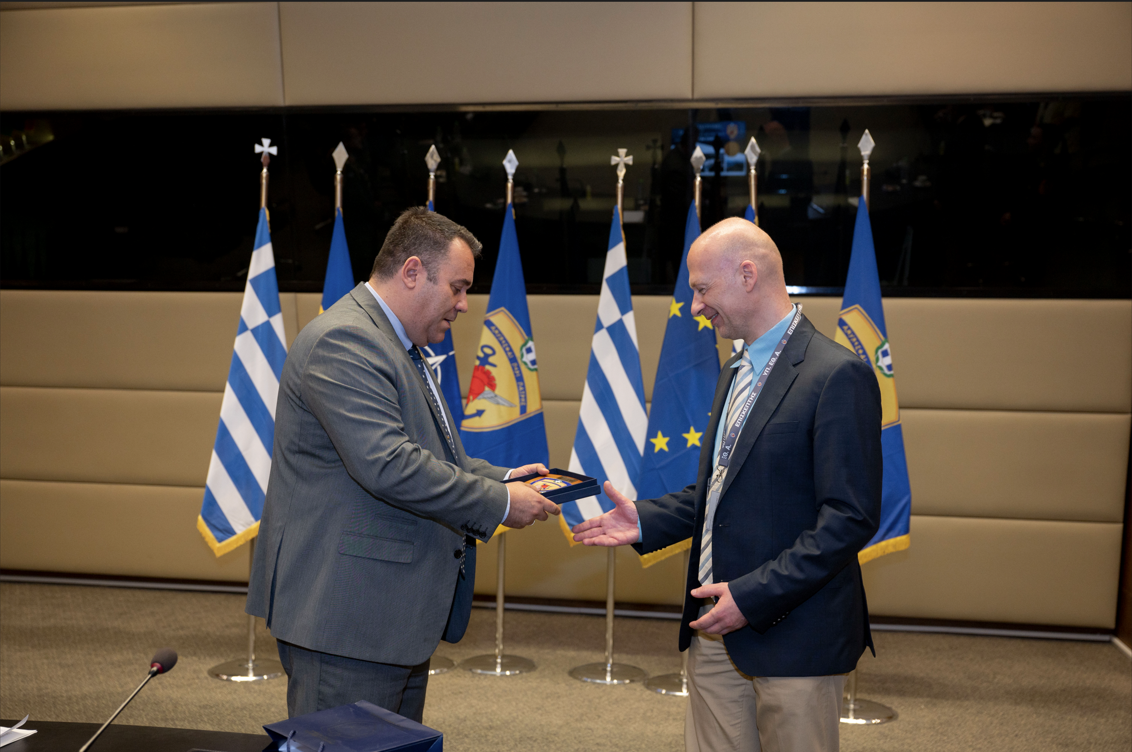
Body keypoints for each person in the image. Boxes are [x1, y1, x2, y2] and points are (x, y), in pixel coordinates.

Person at [574, 217, 881, 752]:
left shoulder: (836, 374)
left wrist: (752, 596)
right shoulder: (734, 371)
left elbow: (849, 518)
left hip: (796, 637)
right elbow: (722, 492)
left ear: (747, 274)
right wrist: (645, 520)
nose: (695, 306)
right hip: (713, 627)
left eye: (701, 289)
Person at [246, 208, 559, 722]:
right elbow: (389, 465)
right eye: (457, 288)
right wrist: (500, 502)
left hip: (389, 618)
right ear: (412, 271)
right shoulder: (345, 341)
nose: (464, 304)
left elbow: (433, 455)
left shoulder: (396, 342)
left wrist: (504, 478)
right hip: (345, 619)